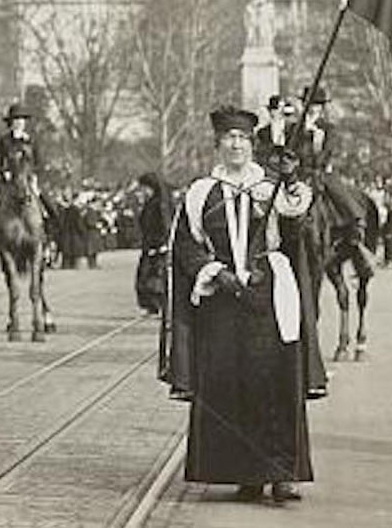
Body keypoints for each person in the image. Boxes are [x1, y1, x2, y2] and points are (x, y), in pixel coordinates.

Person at [167, 105, 315, 504]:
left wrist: (290, 179)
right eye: (229, 138)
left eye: (243, 139)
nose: (236, 144)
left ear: (253, 145)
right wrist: (217, 273)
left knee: (276, 381)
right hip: (222, 299)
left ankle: (284, 473)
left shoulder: (272, 189)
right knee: (230, 384)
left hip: (267, 295)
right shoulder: (201, 193)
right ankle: (245, 472)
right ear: (218, 144)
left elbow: (294, 227)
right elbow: (185, 245)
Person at [0, 102, 52, 249]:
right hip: (9, 180)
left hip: (28, 179)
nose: (19, 123)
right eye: (16, 120)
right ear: (11, 122)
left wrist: (33, 175)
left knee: (48, 203)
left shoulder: (32, 139)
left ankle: (49, 236)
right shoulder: (4, 140)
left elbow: (40, 162)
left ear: (25, 122)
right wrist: (4, 172)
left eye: (21, 120)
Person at [134, 171, 172, 316]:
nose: (142, 192)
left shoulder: (160, 204)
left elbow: (165, 225)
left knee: (155, 277)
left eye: (144, 188)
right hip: (149, 245)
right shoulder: (150, 203)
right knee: (146, 277)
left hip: (158, 247)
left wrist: (162, 244)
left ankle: (158, 305)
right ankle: (151, 306)